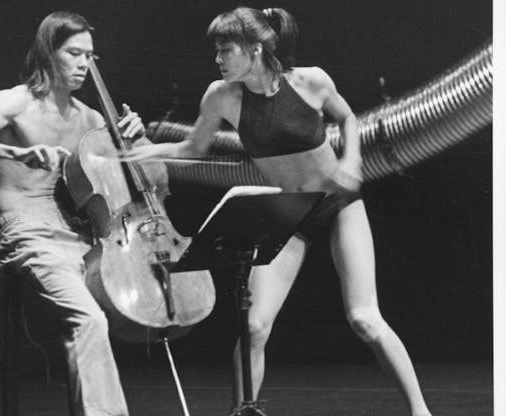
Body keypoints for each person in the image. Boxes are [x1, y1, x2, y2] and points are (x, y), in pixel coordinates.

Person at [125, 7, 432, 416]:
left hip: (339, 207)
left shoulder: (311, 81)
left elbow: (347, 117)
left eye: (225, 50)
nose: (217, 59)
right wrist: (136, 153)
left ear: (255, 49)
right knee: (253, 326)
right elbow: (191, 150)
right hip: (289, 213)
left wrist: (352, 160)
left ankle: (420, 411)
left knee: (364, 318)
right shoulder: (222, 96)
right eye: (216, 51)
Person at [0, 11, 145, 416]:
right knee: (89, 320)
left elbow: (120, 185)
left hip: (77, 236)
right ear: (48, 53)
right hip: (24, 229)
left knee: (101, 322)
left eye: (90, 55)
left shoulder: (91, 120)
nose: (84, 63)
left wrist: (137, 140)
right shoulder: (15, 102)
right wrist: (15, 152)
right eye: (74, 53)